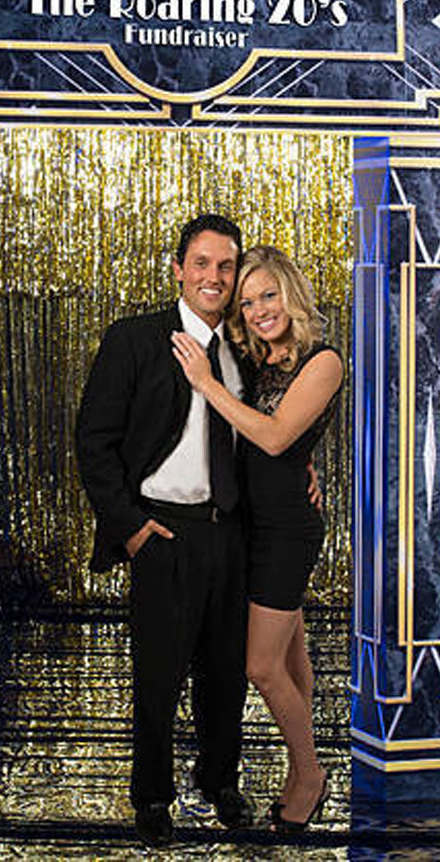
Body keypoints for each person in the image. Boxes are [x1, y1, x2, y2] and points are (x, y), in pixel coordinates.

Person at [75, 214, 253, 846]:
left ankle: (220, 780)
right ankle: (152, 795)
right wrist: (130, 529)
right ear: (179, 270)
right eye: (201, 263)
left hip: (229, 531)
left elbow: (264, 433)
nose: (214, 277)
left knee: (226, 672)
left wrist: (304, 468)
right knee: (159, 674)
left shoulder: (246, 347)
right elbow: (94, 440)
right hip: (163, 530)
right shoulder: (134, 339)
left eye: (226, 266)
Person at [171, 244, 342, 835]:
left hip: (287, 530)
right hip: (251, 522)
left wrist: (204, 382)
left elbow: (273, 437)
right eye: (247, 302)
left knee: (262, 666)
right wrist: (303, 460)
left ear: (291, 293)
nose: (260, 309)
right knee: (292, 659)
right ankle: (301, 771)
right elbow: (272, 442)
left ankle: (310, 775)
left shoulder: (323, 360)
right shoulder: (259, 358)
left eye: (269, 295)